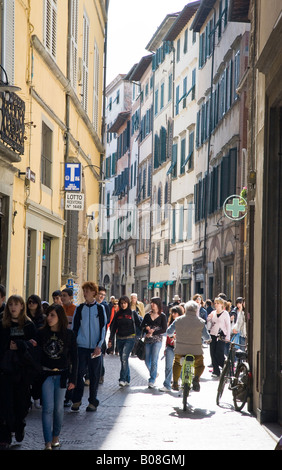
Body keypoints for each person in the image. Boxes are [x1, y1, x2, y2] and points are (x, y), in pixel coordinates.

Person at [37, 303, 77, 450]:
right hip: (46, 374)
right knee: (47, 408)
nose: (49, 318)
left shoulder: (69, 335)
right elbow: (37, 355)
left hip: (61, 376)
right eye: (48, 314)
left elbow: (75, 358)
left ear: (60, 317)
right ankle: (47, 441)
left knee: (59, 409)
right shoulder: (41, 333)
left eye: (52, 315)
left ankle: (55, 437)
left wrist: (73, 379)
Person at [0, 295, 38, 449]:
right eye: (11, 305)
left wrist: (20, 345)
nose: (13, 307)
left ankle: (20, 424)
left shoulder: (28, 325)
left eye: (16, 304)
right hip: (6, 371)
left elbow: (34, 346)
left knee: (21, 404)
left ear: (22, 306)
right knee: (5, 405)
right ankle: (5, 436)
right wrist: (8, 347)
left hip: (23, 372)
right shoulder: (2, 324)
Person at [71, 281, 107, 412]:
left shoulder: (100, 309)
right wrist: (74, 344)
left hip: (95, 348)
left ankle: (92, 401)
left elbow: (103, 328)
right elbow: (74, 328)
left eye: (87, 291)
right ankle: (76, 400)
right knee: (78, 373)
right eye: (84, 291)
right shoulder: (79, 309)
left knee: (94, 375)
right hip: (81, 347)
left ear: (94, 293)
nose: (84, 293)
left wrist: (99, 346)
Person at [167, 300, 211, 392]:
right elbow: (206, 336)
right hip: (196, 351)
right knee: (200, 365)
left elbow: (169, 332)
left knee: (177, 363)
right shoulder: (201, 322)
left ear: (185, 309)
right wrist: (207, 340)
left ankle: (175, 383)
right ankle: (196, 378)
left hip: (180, 350)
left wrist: (172, 336)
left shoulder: (178, 320)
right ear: (196, 310)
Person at [108, 296, 142, 387]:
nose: (123, 305)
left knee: (124, 357)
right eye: (122, 303)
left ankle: (122, 379)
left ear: (128, 303)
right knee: (123, 359)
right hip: (119, 339)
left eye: (125, 303)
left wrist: (145, 331)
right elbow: (113, 327)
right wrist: (110, 339)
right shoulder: (118, 314)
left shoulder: (132, 313)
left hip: (130, 338)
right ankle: (127, 378)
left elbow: (139, 325)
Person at [140, 297, 167, 388]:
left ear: (158, 305)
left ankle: (152, 379)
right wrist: (146, 328)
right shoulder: (147, 315)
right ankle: (155, 373)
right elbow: (142, 325)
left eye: (154, 303)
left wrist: (153, 332)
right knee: (147, 360)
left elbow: (164, 329)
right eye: (151, 303)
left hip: (157, 340)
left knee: (154, 359)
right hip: (148, 340)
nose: (152, 305)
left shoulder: (162, 316)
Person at [159, 306, 183, 392]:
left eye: (175, 313)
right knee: (168, 367)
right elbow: (167, 337)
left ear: (179, 314)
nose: (173, 314)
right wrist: (165, 347)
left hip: (179, 347)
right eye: (172, 313)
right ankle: (167, 385)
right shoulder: (170, 322)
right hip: (170, 347)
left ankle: (181, 382)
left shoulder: (183, 322)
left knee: (180, 366)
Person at [207, 297, 231, 377]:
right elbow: (209, 327)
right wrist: (209, 319)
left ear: (221, 304)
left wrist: (228, 336)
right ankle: (216, 371)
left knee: (219, 353)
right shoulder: (213, 313)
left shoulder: (225, 313)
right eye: (215, 303)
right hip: (213, 334)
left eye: (218, 303)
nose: (216, 305)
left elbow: (228, 325)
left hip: (222, 335)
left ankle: (226, 368)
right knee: (212, 353)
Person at [96, 286, 110, 384]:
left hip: (101, 335)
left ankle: (101, 374)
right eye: (100, 294)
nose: (102, 296)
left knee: (99, 356)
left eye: (103, 295)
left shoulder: (105, 306)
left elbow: (107, 321)